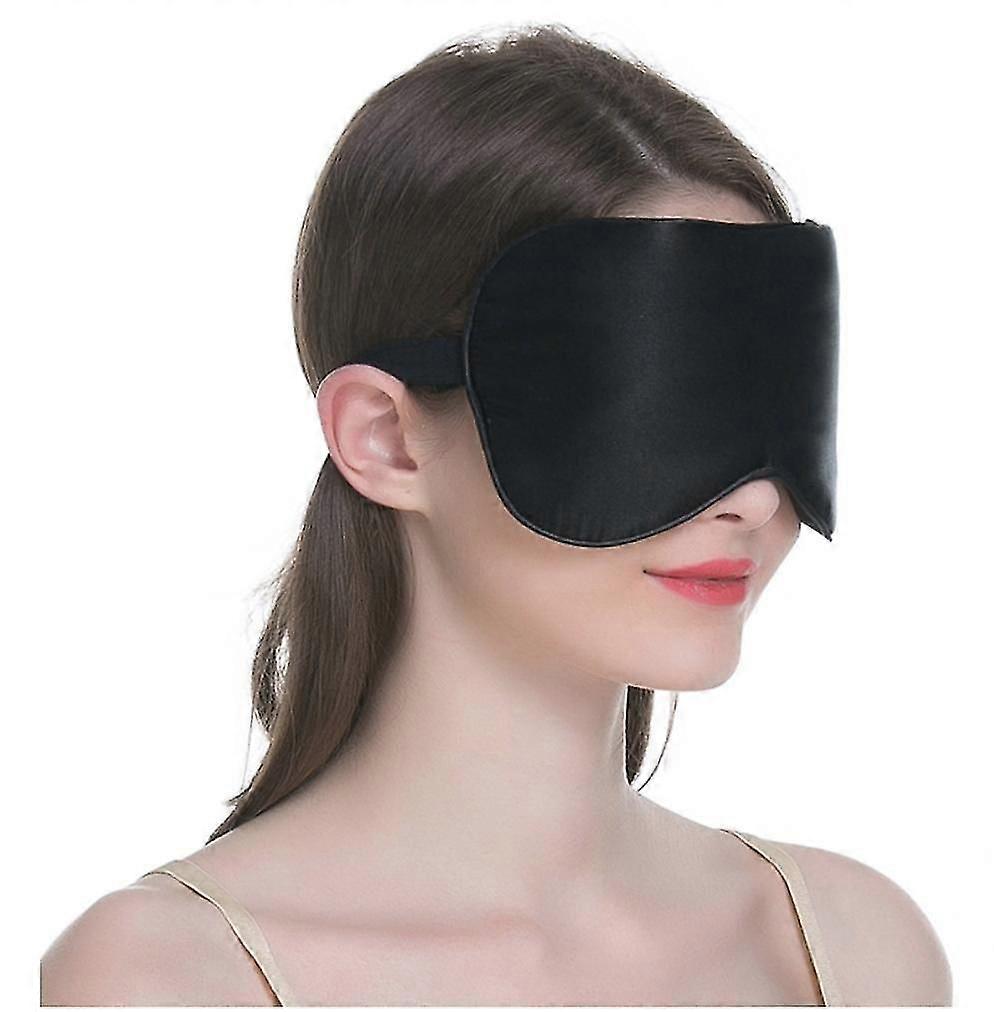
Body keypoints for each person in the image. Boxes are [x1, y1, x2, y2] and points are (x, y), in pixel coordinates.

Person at [40, 23, 952, 1007]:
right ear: (385, 439)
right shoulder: (168, 977)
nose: (755, 499)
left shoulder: (857, 949)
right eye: (651, 403)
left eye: (768, 403)